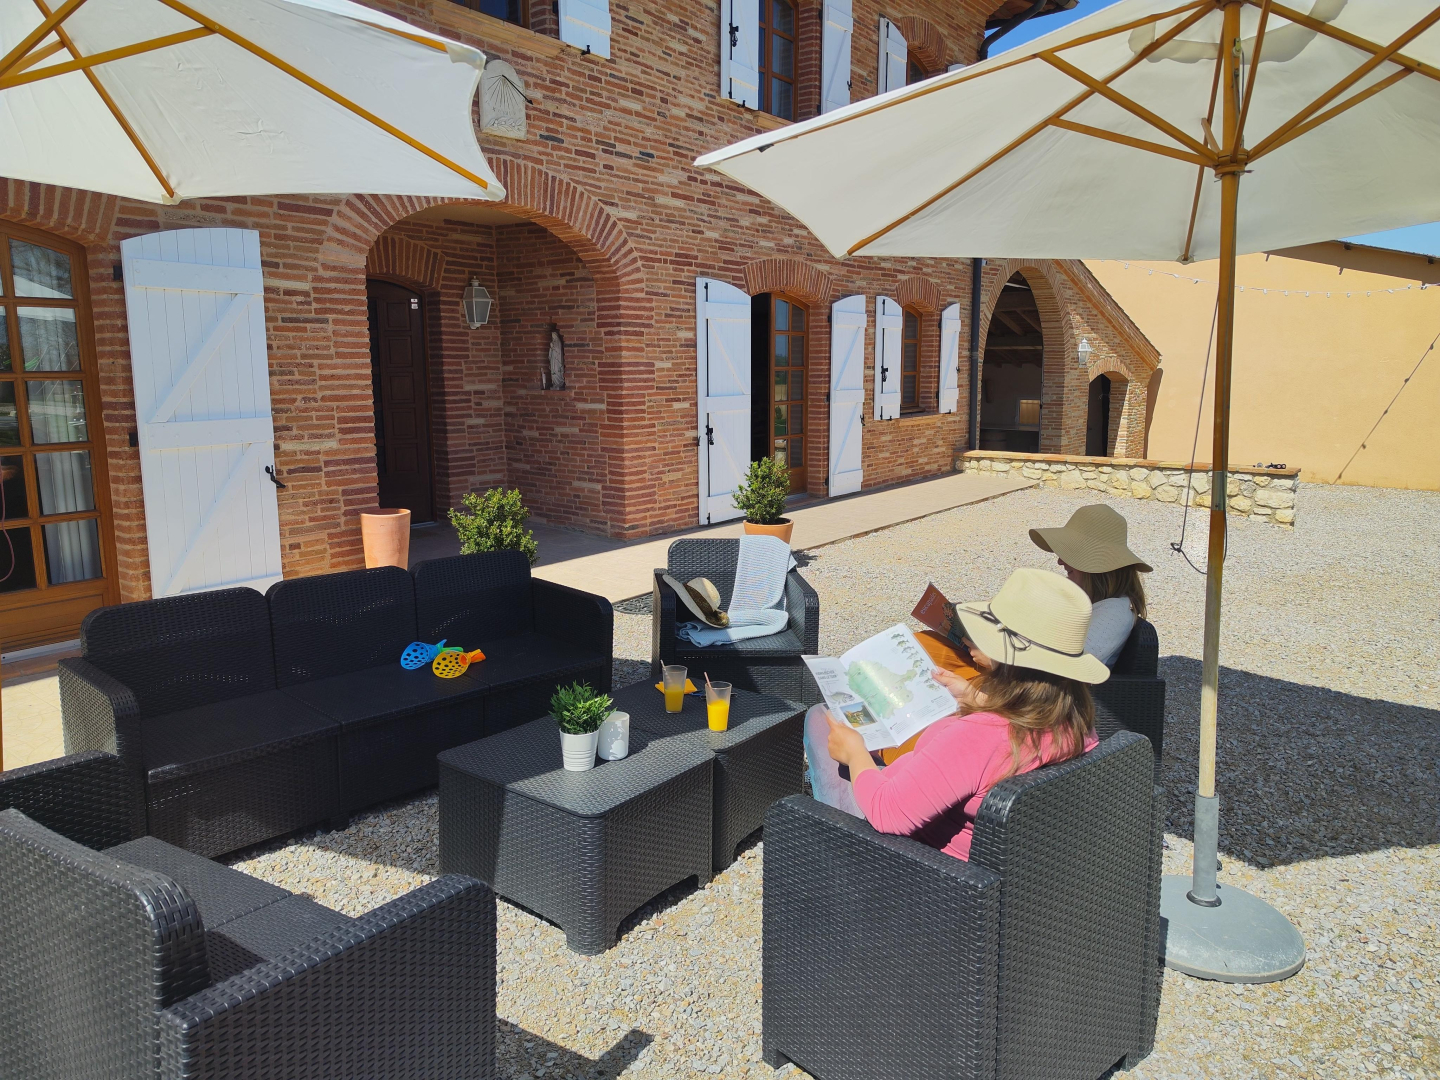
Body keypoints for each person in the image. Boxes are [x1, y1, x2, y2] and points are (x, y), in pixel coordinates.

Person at [804, 568, 1105, 861]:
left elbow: (887, 814)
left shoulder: (982, 736)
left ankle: (831, 856)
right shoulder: (1075, 718)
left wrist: (856, 754)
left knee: (820, 718)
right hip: (1007, 863)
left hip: (922, 862)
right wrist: (976, 697)